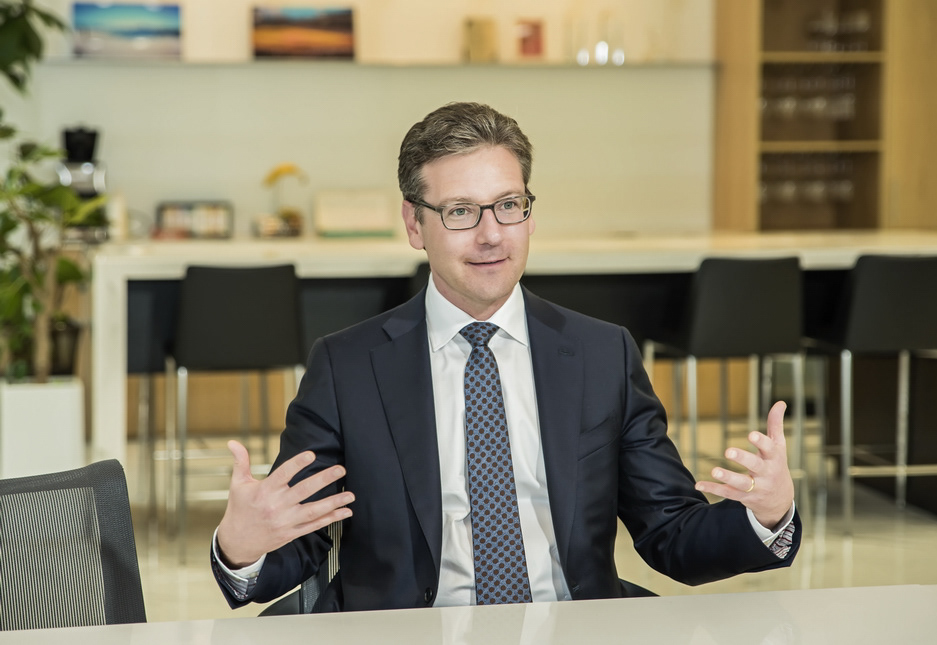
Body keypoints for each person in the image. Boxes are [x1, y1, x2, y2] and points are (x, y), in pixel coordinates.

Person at [211, 102, 800, 612]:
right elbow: (298, 544)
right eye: (460, 211)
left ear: (529, 213)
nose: (491, 234)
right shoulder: (347, 367)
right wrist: (241, 546)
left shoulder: (602, 354)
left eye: (508, 205)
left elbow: (671, 534)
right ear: (415, 224)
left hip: (569, 628)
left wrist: (766, 516)